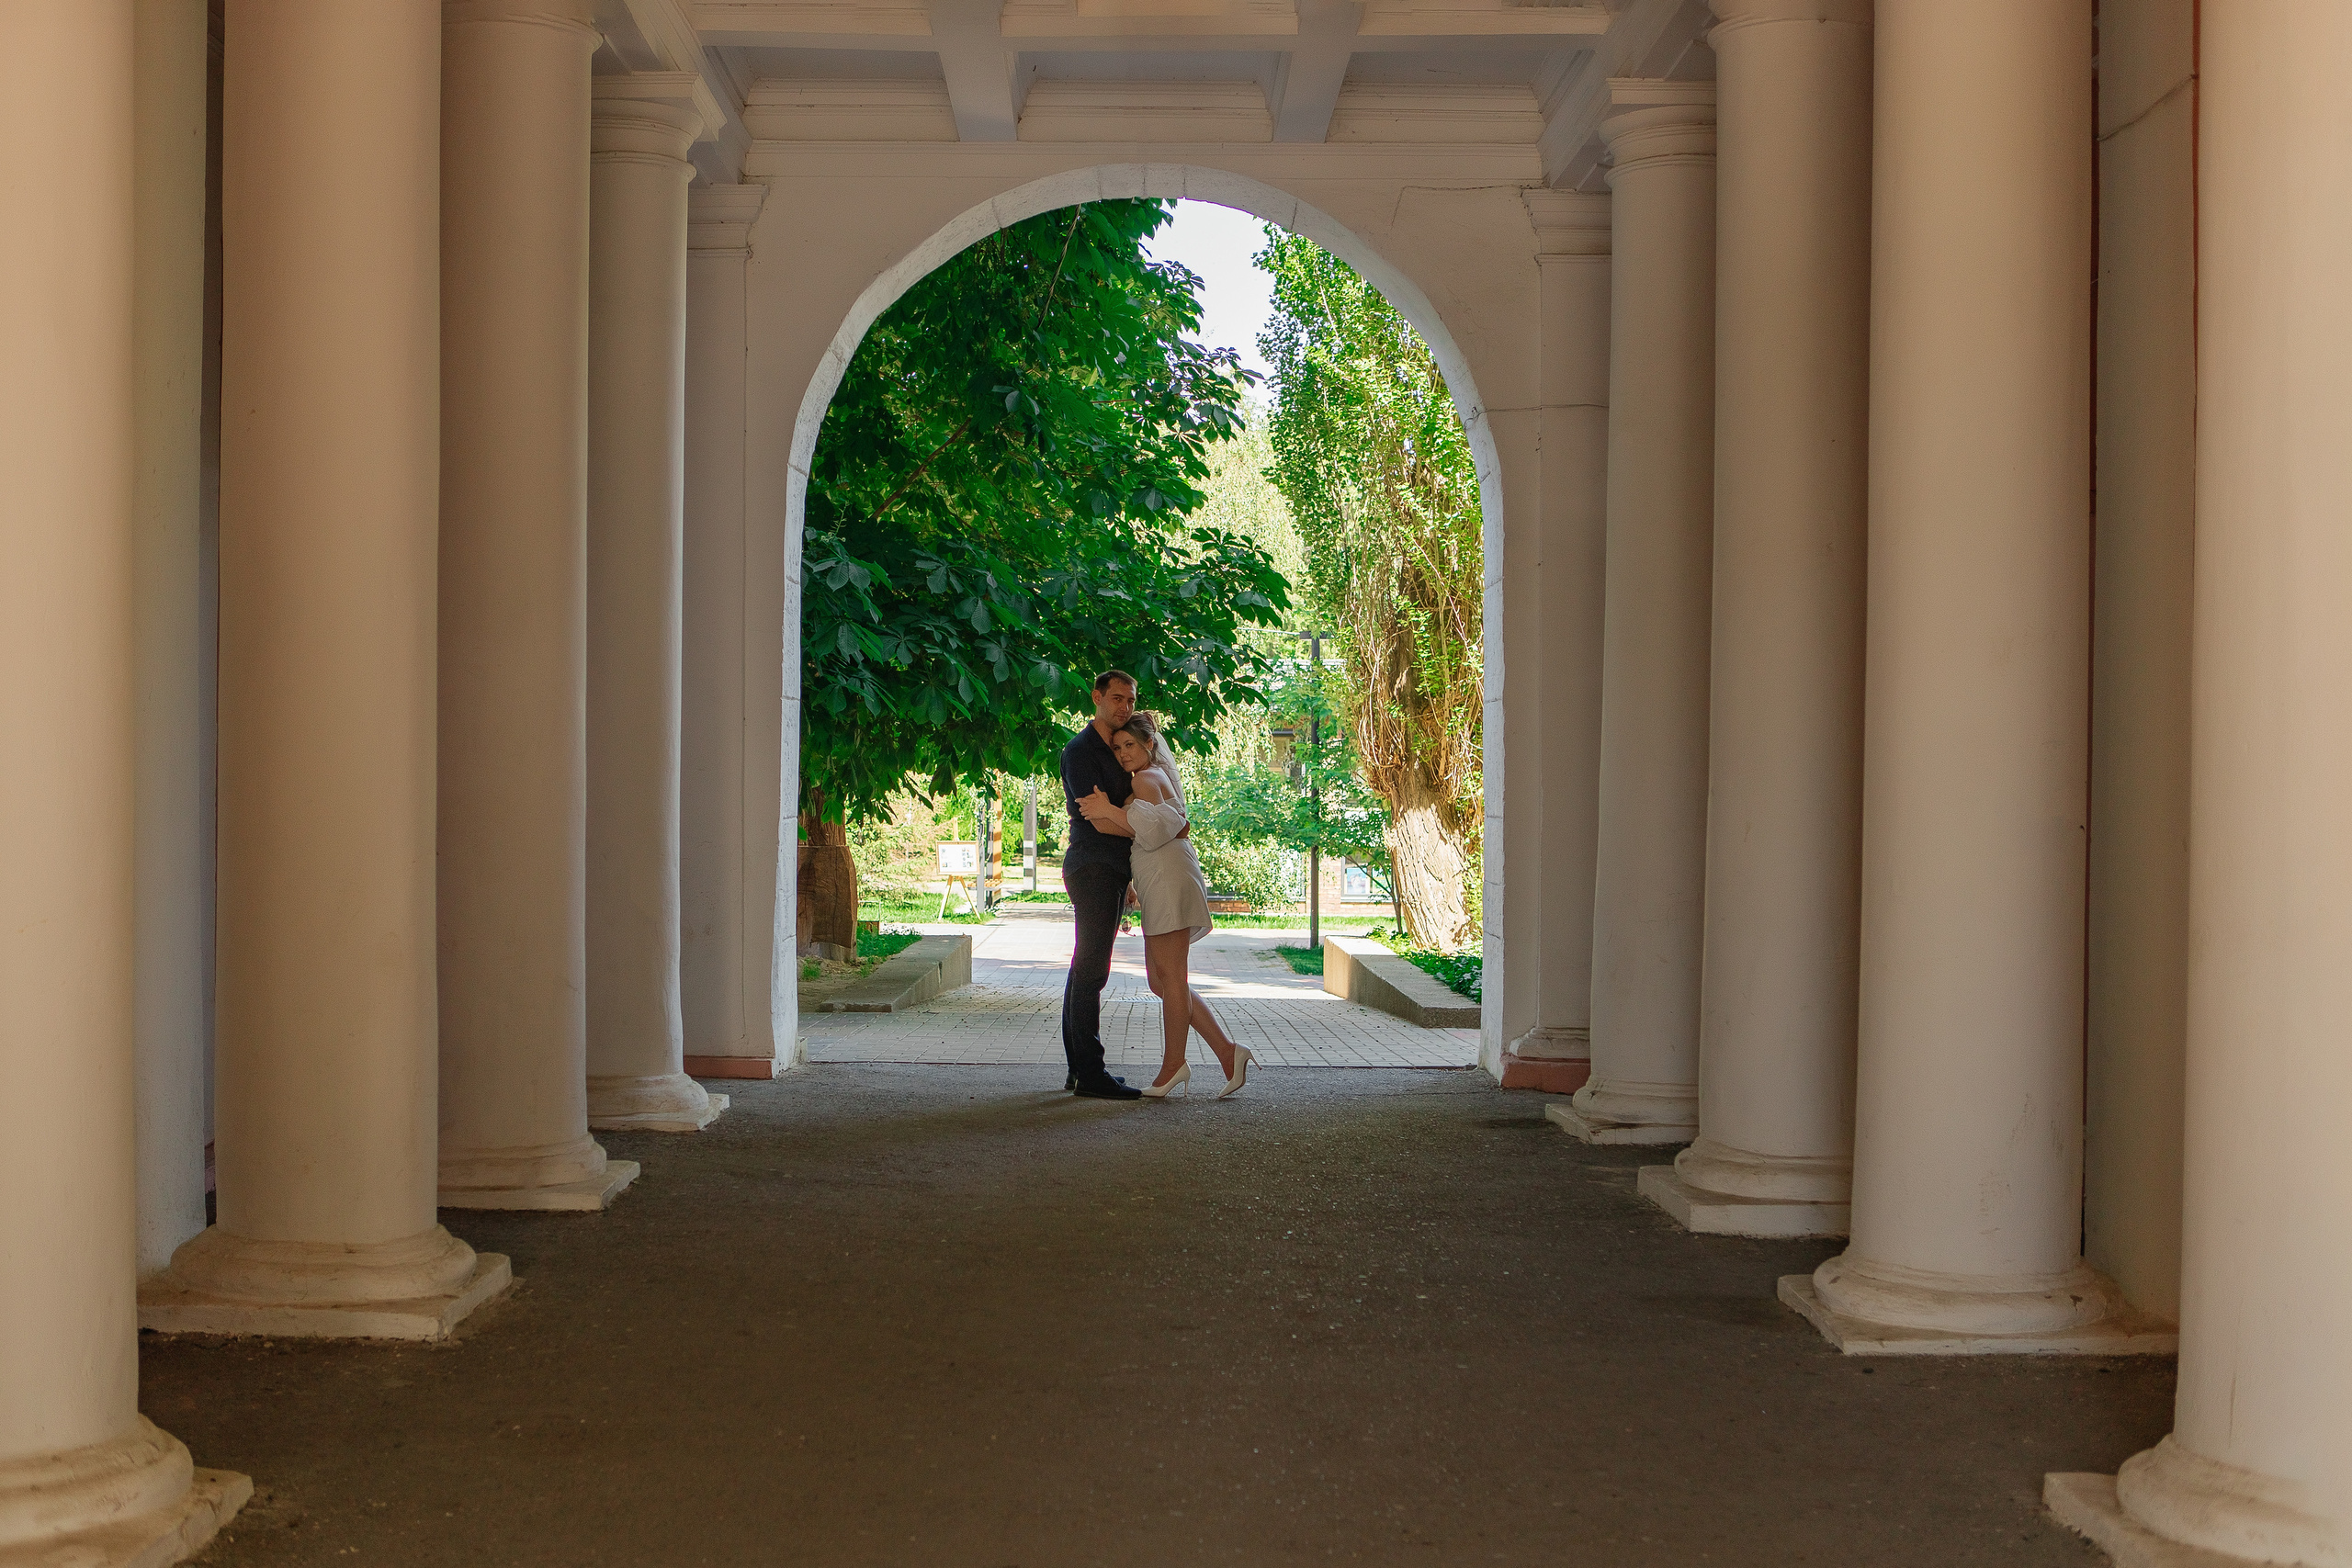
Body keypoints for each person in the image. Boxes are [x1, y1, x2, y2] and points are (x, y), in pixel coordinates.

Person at [1078, 711, 1254, 1100]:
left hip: (1168, 875)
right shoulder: (1151, 777)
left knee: (1171, 979)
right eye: (1118, 747)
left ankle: (1174, 1066)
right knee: (1162, 980)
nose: (1123, 754)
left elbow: (1161, 830)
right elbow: (1163, 824)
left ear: (1150, 745)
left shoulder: (1145, 777)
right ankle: (1228, 1053)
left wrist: (1108, 811)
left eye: (1131, 745)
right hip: (1161, 876)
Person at [1057, 671, 1147, 1100]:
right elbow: (1096, 817)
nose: (1124, 708)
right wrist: (1143, 826)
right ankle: (1091, 1073)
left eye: (1130, 701)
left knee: (1084, 971)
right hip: (1090, 867)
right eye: (1116, 698)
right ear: (1096, 697)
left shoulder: (1114, 748)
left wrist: (1122, 816)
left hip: (1108, 870)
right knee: (1091, 971)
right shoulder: (1080, 750)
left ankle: (1080, 1071)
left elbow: (1114, 813)